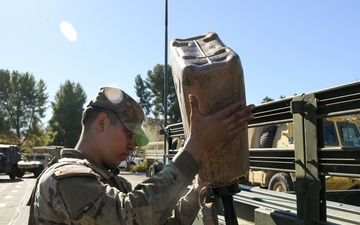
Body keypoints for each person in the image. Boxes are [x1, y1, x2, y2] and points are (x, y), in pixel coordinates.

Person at [27, 86, 255, 225]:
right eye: (130, 134)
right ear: (102, 122)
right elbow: (129, 217)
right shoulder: (63, 180)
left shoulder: (112, 183)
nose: (133, 146)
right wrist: (193, 148)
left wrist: (197, 191)